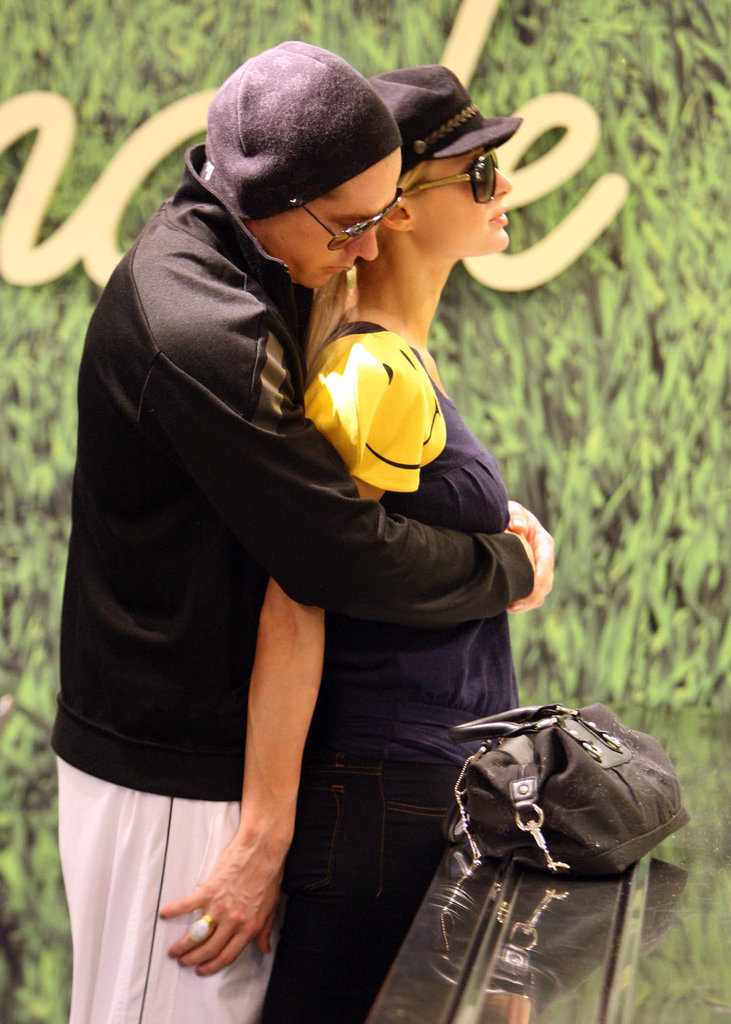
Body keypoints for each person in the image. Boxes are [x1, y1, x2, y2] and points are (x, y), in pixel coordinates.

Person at [51, 42, 552, 1024]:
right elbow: (336, 557)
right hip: (176, 767)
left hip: (205, 756)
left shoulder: (254, 253)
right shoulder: (203, 331)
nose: (366, 249)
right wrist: (507, 565)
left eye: (381, 213)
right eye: (351, 224)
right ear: (266, 196)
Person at [259, 64, 543, 1024]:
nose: (503, 186)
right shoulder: (370, 366)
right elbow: (302, 587)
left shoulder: (399, 358)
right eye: (479, 172)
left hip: (425, 787)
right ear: (402, 208)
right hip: (384, 797)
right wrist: (265, 831)